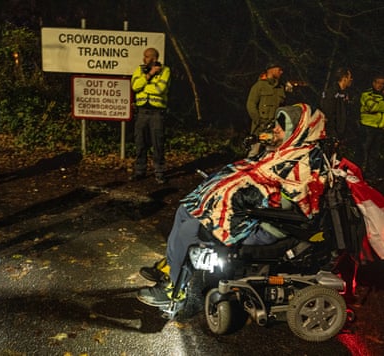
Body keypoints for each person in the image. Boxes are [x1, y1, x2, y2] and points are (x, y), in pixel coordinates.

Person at [137, 103, 329, 306]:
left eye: (281, 126)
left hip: (267, 223)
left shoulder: (305, 161)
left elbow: (288, 202)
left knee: (189, 229)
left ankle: (174, 291)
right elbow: (258, 174)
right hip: (252, 213)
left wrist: (240, 195)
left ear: (297, 130)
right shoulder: (288, 151)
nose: (275, 129)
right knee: (185, 209)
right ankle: (170, 266)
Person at [130, 48, 171, 184]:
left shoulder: (165, 70)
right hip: (141, 112)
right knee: (140, 142)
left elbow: (160, 90)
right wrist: (149, 76)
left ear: (154, 58)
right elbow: (135, 86)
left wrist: (144, 86)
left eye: (147, 57)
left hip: (156, 113)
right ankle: (140, 171)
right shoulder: (140, 70)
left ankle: (159, 172)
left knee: (157, 143)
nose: (144, 59)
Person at [246, 63, 286, 157]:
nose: (281, 72)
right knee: (254, 153)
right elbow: (250, 105)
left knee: (273, 154)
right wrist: (259, 121)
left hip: (275, 129)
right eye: (279, 69)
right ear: (271, 69)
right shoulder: (259, 86)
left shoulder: (281, 88)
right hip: (260, 129)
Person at [356, 73, 384, 180]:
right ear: (373, 83)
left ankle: (371, 175)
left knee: (374, 153)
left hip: (379, 128)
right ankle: (359, 174)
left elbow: (376, 107)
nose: (380, 85)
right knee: (364, 152)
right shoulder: (367, 94)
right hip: (367, 127)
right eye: (378, 83)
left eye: (382, 84)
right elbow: (372, 107)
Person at [320, 67, 354, 141]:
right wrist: (333, 134)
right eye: (350, 77)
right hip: (332, 133)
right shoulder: (331, 93)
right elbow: (328, 114)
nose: (351, 80)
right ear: (344, 78)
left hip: (341, 132)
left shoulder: (345, 93)